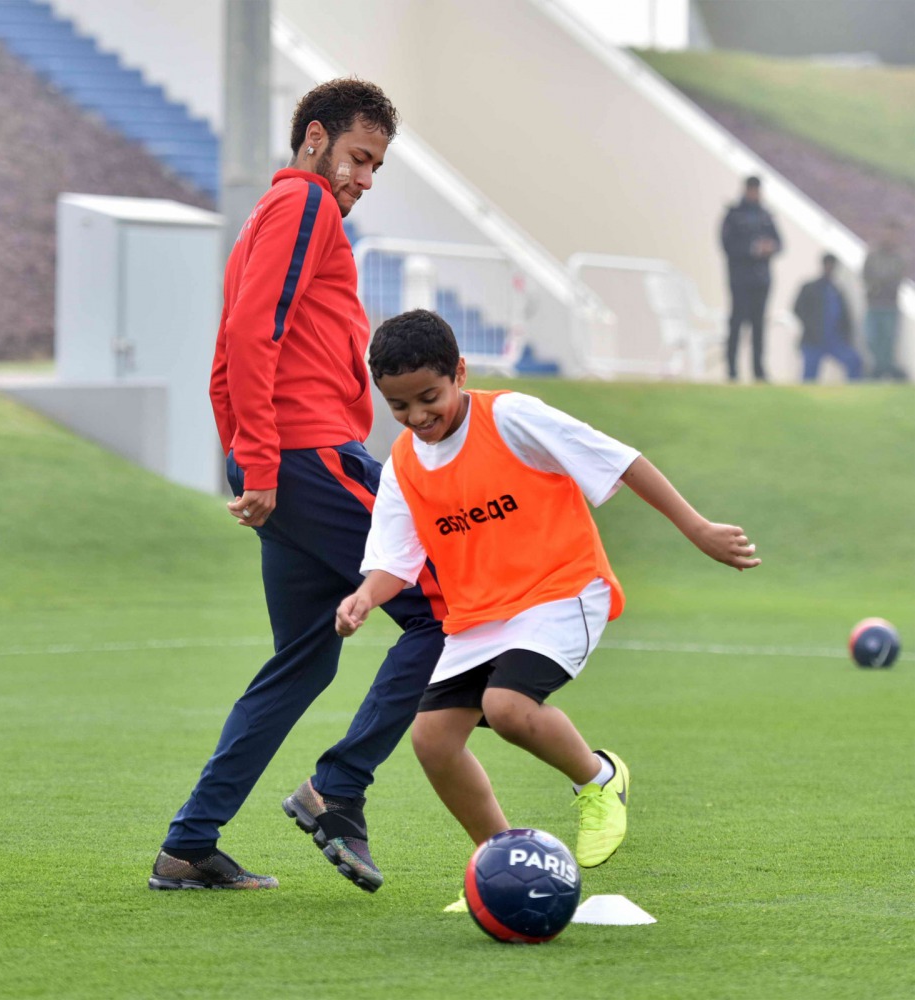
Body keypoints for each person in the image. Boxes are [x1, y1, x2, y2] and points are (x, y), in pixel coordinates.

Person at [334, 310, 761, 906]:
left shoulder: (511, 416)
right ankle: (501, 866)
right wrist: (363, 597)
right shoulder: (404, 464)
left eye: (429, 397)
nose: (417, 417)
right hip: (479, 618)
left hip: (562, 590)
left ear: (459, 372)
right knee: (433, 740)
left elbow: (621, 459)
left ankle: (599, 779)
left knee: (506, 707)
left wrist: (697, 527)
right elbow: (393, 560)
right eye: (399, 406)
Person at [148, 80, 446, 893]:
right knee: (440, 610)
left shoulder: (273, 219)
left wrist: (248, 459)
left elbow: (230, 350)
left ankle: (188, 844)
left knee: (303, 662)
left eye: (377, 166)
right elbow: (249, 334)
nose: (364, 179)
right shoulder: (305, 206)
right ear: (314, 139)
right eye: (359, 157)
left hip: (296, 462)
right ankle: (336, 792)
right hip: (310, 460)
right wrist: (262, 461)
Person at [720, 176, 783, 382]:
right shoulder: (734, 215)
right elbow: (727, 245)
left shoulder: (765, 216)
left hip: (761, 281)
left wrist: (769, 248)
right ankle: (732, 369)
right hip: (740, 280)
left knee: (759, 325)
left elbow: (780, 244)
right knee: (737, 323)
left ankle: (758, 370)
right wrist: (752, 249)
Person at [793, 254, 863, 383]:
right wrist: (811, 327)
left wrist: (846, 337)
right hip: (813, 340)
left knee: (854, 361)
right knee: (809, 377)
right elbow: (798, 309)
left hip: (834, 340)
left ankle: (853, 393)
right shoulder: (810, 288)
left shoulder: (837, 291)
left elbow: (845, 318)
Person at [862, 220, 908, 380]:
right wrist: (877, 285)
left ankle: (882, 373)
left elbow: (895, 279)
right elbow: (866, 276)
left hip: (889, 306)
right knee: (872, 339)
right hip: (874, 305)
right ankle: (884, 371)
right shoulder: (873, 254)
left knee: (887, 343)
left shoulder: (898, 257)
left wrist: (879, 284)